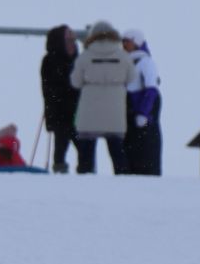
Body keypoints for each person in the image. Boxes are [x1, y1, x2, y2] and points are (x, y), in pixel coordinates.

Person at [70, 21, 133, 174]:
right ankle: (122, 177)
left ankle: (85, 179)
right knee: (116, 150)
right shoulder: (123, 56)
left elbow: (75, 82)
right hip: (115, 106)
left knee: (86, 152)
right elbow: (132, 78)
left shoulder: (85, 56)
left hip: (90, 106)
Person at [40, 26, 87, 172]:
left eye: (73, 40)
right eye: (68, 40)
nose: (73, 43)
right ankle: (61, 175)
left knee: (83, 147)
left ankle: (85, 174)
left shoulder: (79, 61)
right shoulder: (50, 61)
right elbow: (48, 90)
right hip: (60, 112)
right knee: (61, 146)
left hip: (78, 112)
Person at [123, 29, 163, 176]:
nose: (124, 45)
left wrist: (143, 113)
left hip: (142, 116)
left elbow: (151, 88)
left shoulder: (145, 62)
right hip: (129, 115)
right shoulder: (126, 63)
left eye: (127, 41)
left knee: (146, 152)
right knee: (131, 153)